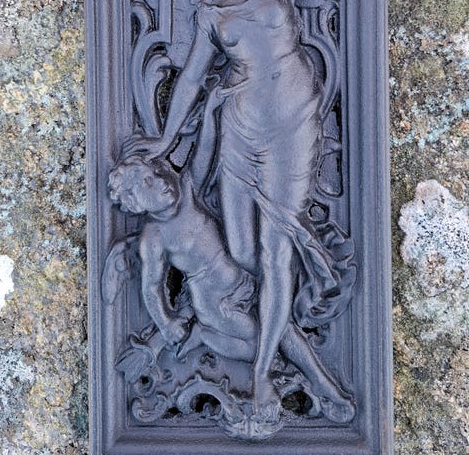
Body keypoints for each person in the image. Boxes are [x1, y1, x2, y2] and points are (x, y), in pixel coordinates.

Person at [123, 0, 341, 421]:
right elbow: (191, 80)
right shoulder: (211, 11)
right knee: (244, 259)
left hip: (291, 127)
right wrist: (167, 137)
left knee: (275, 251)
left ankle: (266, 375)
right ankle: (278, 356)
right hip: (241, 134)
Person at [108, 155, 355, 423]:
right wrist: (166, 324)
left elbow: (205, 150)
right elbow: (151, 288)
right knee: (267, 339)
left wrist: (222, 124)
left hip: (243, 282)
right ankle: (207, 336)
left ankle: (319, 382)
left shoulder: (188, 190)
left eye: (155, 173)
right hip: (216, 306)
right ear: (135, 204)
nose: (159, 181)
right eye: (146, 183)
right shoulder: (153, 237)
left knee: (277, 327)